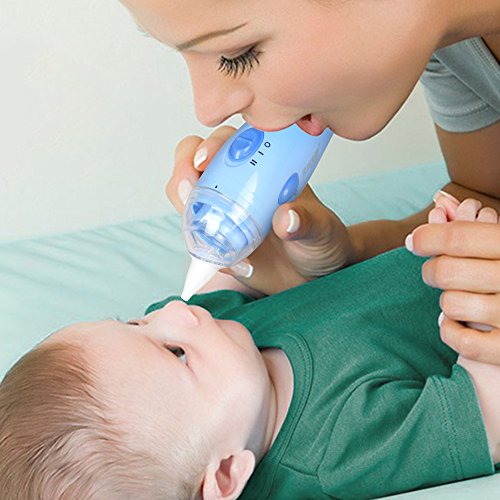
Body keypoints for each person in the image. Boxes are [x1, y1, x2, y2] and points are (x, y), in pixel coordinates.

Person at [1, 200, 499, 500]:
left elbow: (235, 264)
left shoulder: (221, 339)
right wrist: (476, 293)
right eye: (175, 352)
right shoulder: (335, 452)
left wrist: (237, 206)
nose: (175, 312)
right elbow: (486, 418)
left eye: (135, 322)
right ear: (224, 474)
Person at [117, 0, 500, 363]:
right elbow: (484, 199)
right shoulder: (447, 38)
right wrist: (345, 259)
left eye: (238, 55)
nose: (208, 109)